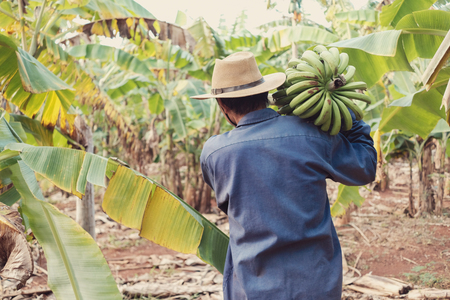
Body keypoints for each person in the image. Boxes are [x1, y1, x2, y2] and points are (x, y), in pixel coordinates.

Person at [191, 51, 377, 300]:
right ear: (265, 94)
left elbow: (229, 200)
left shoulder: (214, 153)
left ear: (223, 105)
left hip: (251, 288)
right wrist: (348, 113)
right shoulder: (311, 135)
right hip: (316, 286)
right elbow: (365, 167)